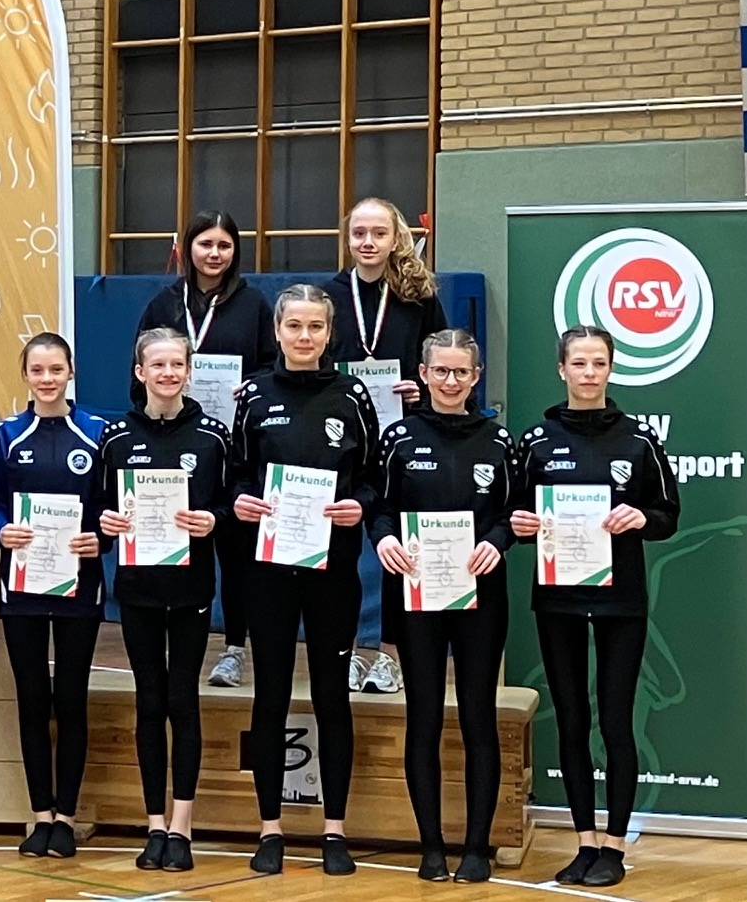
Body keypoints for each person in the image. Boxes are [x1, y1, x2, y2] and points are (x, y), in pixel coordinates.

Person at [510, 325, 679, 889]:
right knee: (572, 719)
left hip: (620, 600)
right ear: (561, 369)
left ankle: (615, 846)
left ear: (611, 368)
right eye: (578, 363)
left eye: (598, 363)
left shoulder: (639, 439)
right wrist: (522, 525)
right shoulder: (536, 440)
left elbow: (667, 515)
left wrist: (642, 518)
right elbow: (515, 514)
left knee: (615, 720)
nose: (588, 373)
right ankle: (583, 841)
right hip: (558, 596)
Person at [229, 284, 379, 877]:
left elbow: (373, 478)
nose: (304, 336)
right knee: (269, 695)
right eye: (294, 326)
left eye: (315, 326)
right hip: (268, 570)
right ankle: (270, 829)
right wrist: (242, 500)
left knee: (331, 695)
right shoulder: (253, 396)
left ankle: (334, 831)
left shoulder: (352, 396)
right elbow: (236, 474)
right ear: (278, 331)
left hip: (333, 570)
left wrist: (359, 505)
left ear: (329, 332)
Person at [368, 329, 515, 883]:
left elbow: (516, 513)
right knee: (423, 716)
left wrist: (497, 541)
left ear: (476, 377)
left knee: (479, 716)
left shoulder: (498, 441)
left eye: (462, 372)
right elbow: (379, 506)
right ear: (424, 374)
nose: (451, 381)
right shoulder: (398, 437)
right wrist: (383, 538)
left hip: (481, 595)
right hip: (417, 594)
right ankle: (430, 847)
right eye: (441, 371)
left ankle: (476, 847)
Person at [96, 328, 231, 874]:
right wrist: (106, 522)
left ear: (188, 371)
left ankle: (183, 825)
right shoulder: (115, 438)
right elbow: (100, 508)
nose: (168, 373)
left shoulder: (213, 437)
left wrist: (213, 520)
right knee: (149, 703)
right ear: (140, 372)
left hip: (191, 589)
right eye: (158, 365)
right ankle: (154, 824)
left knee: (183, 701)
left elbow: (231, 504)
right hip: (138, 591)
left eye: (177, 364)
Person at [135, 210, 273, 688]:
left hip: (232, 443)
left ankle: (234, 648)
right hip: (175, 441)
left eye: (224, 245)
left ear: (236, 251)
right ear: (188, 247)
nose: (215, 254)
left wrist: (251, 387)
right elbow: (140, 368)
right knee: (174, 535)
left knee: (235, 548)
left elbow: (270, 368)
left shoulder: (253, 305)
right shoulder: (164, 304)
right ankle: (164, 636)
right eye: (205, 244)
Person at [0, 332, 108, 859]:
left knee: (72, 699)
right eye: (38, 370)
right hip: (23, 585)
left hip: (81, 583)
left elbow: (110, 507)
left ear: (70, 371)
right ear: (25, 375)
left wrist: (100, 538)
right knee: (33, 698)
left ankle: (68, 816)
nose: (47, 379)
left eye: (56, 369)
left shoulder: (98, 433)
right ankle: (41, 815)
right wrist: (1, 530)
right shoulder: (6, 435)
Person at [325, 197, 448, 694]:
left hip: (405, 437)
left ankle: (392, 653)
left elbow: (444, 359)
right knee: (345, 552)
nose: (368, 242)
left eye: (379, 233)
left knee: (399, 547)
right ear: (347, 238)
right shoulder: (331, 295)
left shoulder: (419, 296)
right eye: (359, 233)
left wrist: (424, 389)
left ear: (396, 237)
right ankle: (353, 649)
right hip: (347, 440)